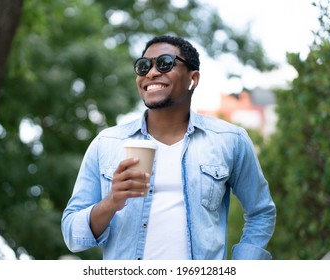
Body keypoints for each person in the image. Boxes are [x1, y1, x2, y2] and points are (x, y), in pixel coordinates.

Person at [61, 35, 276, 260]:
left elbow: (261, 212)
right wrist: (111, 202)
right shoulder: (107, 143)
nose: (151, 73)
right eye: (143, 66)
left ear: (193, 78)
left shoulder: (230, 140)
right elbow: (71, 234)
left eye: (165, 63)